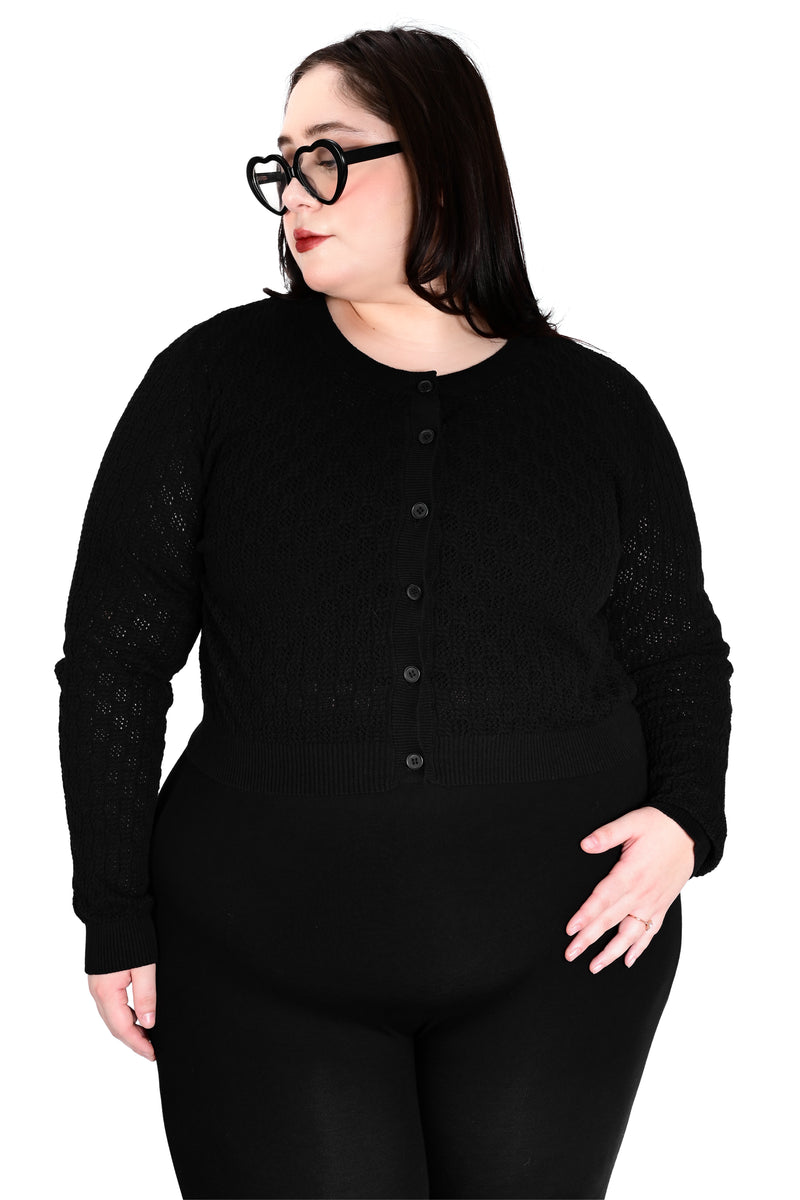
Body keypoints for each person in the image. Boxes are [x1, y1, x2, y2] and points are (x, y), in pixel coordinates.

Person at [53, 24, 734, 1200]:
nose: (293, 193)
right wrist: (112, 910)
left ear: (443, 165)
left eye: (327, 157)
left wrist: (684, 822)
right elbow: (114, 661)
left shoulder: (596, 409)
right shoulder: (209, 384)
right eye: (280, 164)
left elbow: (676, 649)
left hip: (558, 963)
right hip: (258, 960)